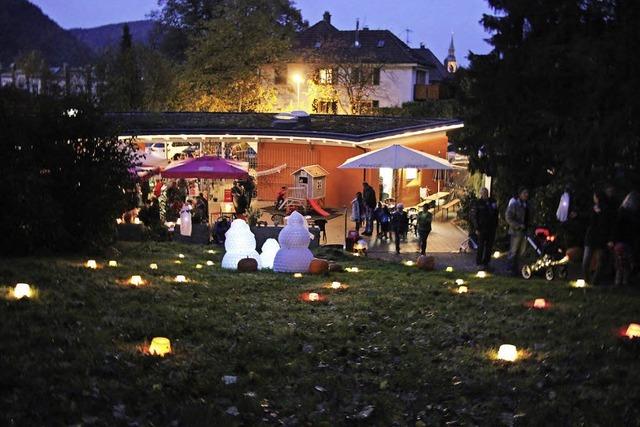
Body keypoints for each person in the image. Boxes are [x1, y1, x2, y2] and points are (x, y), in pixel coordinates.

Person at [582, 191, 614, 285]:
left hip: (599, 238)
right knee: (588, 261)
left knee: (599, 261)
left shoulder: (606, 210)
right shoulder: (593, 209)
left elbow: (608, 225)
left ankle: (594, 281)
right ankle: (588, 281)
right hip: (593, 238)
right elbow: (590, 220)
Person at [612, 191, 640, 286]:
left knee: (622, 264)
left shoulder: (623, 212)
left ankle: (620, 282)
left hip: (623, 241)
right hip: (625, 241)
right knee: (623, 263)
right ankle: (622, 282)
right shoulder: (627, 213)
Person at [505, 187, 531, 275]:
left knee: (522, 251)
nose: (526, 195)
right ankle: (510, 269)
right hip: (516, 232)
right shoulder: (514, 204)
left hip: (524, 231)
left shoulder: (526, 205)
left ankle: (517, 269)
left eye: (527, 193)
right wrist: (518, 225)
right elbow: (508, 217)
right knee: (513, 250)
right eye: (524, 193)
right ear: (520, 194)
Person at [472, 187, 499, 270]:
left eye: (486, 193)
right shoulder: (478, 203)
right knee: (481, 246)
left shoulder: (492, 202)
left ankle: (486, 263)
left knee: (489, 246)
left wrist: (496, 225)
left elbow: (496, 213)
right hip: (481, 228)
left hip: (491, 228)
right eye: (483, 193)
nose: (485, 194)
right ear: (481, 194)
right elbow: (474, 216)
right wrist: (476, 228)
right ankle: (479, 263)